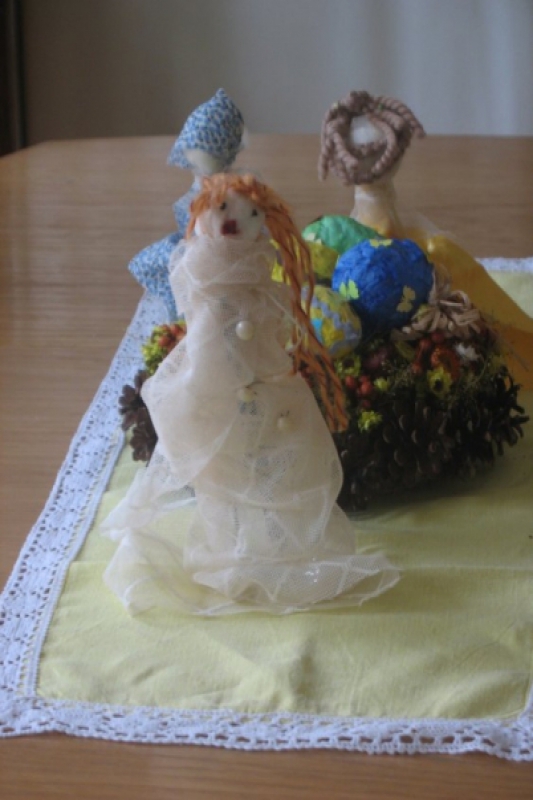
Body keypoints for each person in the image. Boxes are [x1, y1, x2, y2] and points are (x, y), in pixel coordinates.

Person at [102, 174, 399, 615]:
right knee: (224, 479)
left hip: (268, 393)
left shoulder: (261, 273)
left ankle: (273, 555)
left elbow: (269, 328)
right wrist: (197, 392)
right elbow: (206, 342)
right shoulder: (202, 274)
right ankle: (232, 556)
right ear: (204, 211)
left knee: (279, 471)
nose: (235, 222)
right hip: (216, 397)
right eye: (224, 209)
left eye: (252, 214)